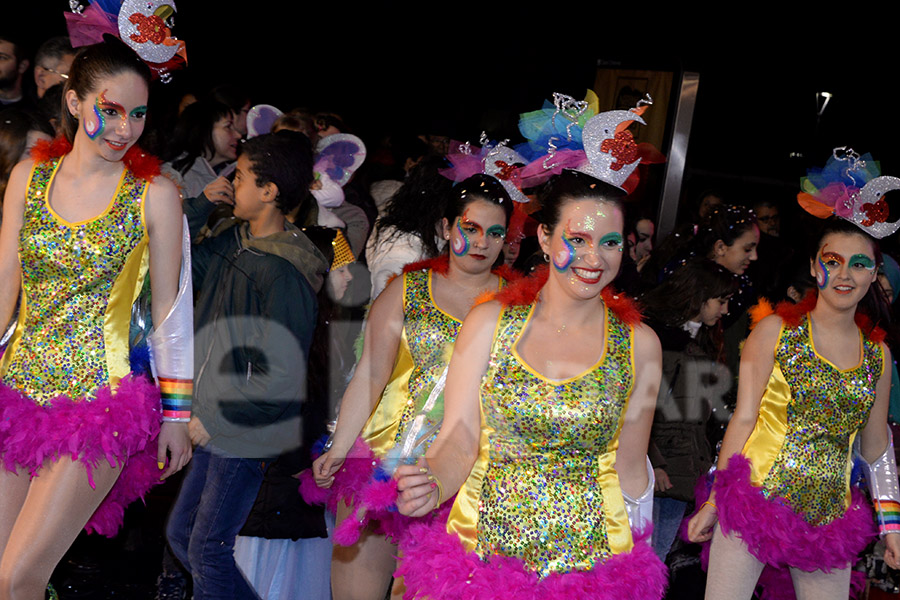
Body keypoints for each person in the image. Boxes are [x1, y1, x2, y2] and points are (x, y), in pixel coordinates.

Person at [394, 169, 667, 599]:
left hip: (592, 572)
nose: (594, 259)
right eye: (577, 239)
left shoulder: (641, 346)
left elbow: (631, 470)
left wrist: (640, 573)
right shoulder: (489, 325)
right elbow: (459, 440)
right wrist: (435, 483)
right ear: (544, 238)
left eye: (610, 242)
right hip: (482, 562)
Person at [0, 40, 191, 597]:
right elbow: (3, 289)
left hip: (98, 407)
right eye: (110, 110)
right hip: (16, 395)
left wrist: (177, 415)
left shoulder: (153, 195)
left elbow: (170, 312)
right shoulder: (27, 179)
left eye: (138, 114)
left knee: (18, 576)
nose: (124, 128)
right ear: (75, 100)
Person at [309, 174, 516, 600]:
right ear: (445, 227)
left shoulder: (520, 306)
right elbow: (370, 374)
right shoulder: (407, 289)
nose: (482, 242)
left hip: (463, 483)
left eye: (495, 233)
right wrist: (340, 446)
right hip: (380, 465)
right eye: (470, 228)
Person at [687, 217, 900, 599]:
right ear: (816, 267)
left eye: (859, 264)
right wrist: (715, 501)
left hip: (828, 522)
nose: (844, 274)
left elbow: (876, 447)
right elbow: (744, 418)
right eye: (832, 261)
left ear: (873, 274)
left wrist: (892, 526)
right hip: (753, 501)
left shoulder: (877, 356)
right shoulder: (775, 331)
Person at [166, 131, 328, 600]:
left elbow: (282, 373)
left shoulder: (285, 269)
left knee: (206, 549)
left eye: (239, 176)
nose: (229, 183)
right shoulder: (229, 238)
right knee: (185, 537)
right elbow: (172, 258)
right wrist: (199, 206)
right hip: (214, 417)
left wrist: (212, 419)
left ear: (269, 191)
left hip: (245, 426)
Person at [639, 258, 737, 561]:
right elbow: (638, 410)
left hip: (681, 467)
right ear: (699, 296)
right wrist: (653, 461)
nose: (726, 310)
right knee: (646, 561)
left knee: (656, 559)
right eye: (721, 301)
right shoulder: (656, 339)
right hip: (658, 469)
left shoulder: (697, 340)